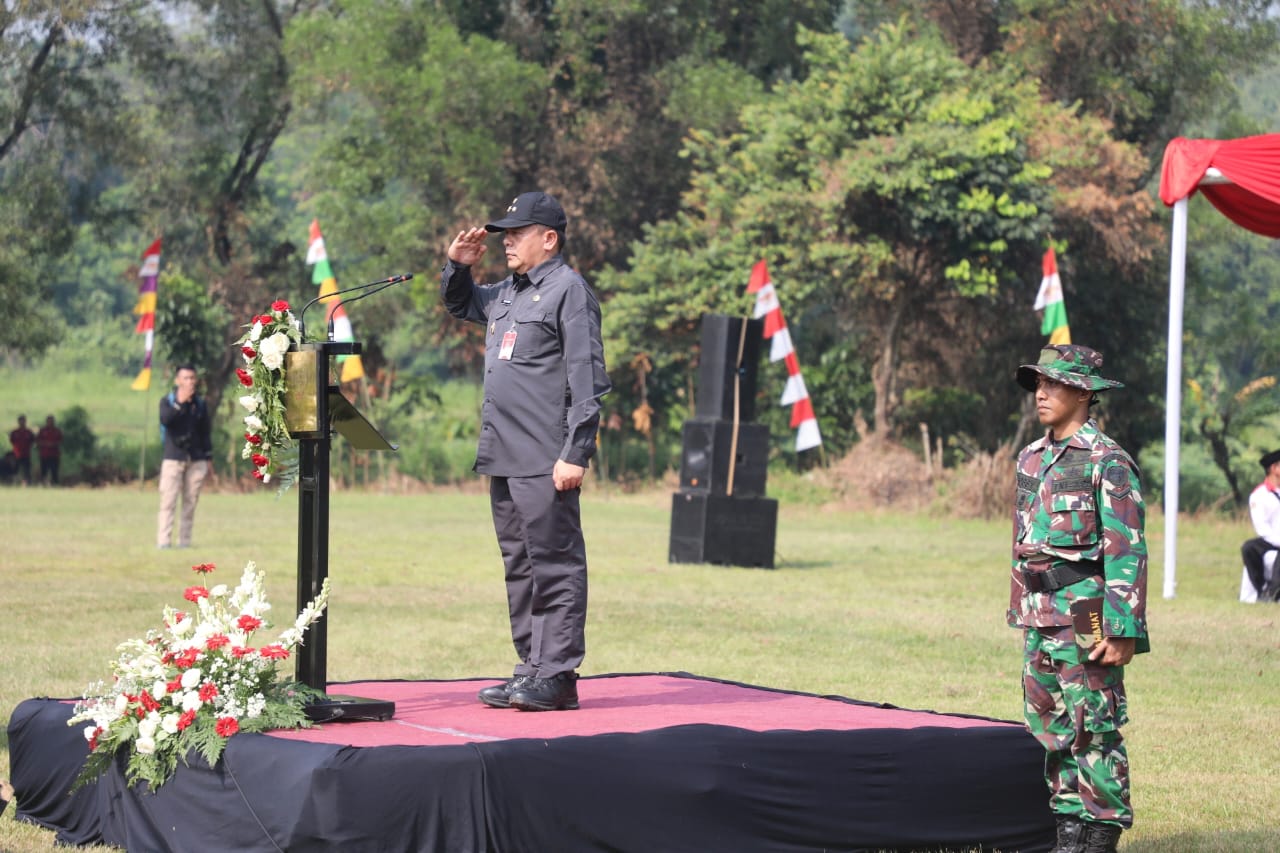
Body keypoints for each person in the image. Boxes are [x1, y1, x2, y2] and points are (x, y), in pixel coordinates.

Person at [441, 191, 611, 712]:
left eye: (517, 232)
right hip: (504, 453)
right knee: (520, 566)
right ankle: (529, 669)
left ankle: (557, 675)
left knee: (554, 564)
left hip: (545, 455)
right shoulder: (511, 294)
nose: (507, 241)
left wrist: (576, 452)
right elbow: (461, 303)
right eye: (504, 233)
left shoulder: (568, 291)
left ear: (549, 238)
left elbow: (589, 378)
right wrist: (456, 267)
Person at [1009, 344, 1148, 853]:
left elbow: (1127, 548)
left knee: (1095, 720)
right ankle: (1069, 826)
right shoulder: (1030, 457)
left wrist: (1124, 628)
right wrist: (1020, 608)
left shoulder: (1107, 461)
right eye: (1038, 384)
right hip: (1039, 613)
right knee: (1048, 721)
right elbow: (1023, 543)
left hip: (1087, 610)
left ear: (1084, 394)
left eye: (1054, 384)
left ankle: (1102, 830)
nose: (1041, 393)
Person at [156, 364, 213, 549]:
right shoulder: (167, 401)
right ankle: (164, 541)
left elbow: (205, 433)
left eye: (192, 378)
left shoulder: (200, 404)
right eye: (186, 378)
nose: (189, 382)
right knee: (168, 501)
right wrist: (180, 403)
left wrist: (208, 458)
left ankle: (184, 542)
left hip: (196, 459)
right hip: (173, 458)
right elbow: (166, 420)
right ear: (177, 380)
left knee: (190, 502)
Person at [1240, 449, 1280, 602]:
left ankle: (1273, 592)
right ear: (1273, 468)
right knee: (1249, 548)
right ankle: (1261, 588)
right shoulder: (1259, 495)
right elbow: (1262, 528)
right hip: (1271, 539)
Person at [35, 414, 63, 485]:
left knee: (54, 470)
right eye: (49, 421)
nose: (50, 422)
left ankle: (55, 483)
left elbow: (61, 441)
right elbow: (38, 441)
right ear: (46, 421)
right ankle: (43, 483)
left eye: (52, 421)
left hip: (54, 454)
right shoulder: (42, 430)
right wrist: (45, 444)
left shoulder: (57, 431)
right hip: (44, 454)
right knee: (44, 470)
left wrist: (53, 444)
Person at [9, 415, 35, 485]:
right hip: (17, 454)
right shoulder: (14, 432)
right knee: (15, 469)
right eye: (21, 421)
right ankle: (14, 482)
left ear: (25, 422)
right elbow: (12, 441)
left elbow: (32, 441)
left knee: (26, 469)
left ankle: (27, 483)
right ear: (18, 422)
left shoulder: (29, 432)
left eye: (23, 421)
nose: (22, 422)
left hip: (26, 454)